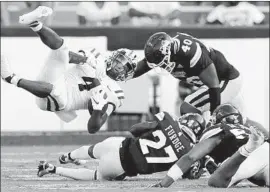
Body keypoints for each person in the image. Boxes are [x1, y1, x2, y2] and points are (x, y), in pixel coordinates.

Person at [1, 6, 137, 133]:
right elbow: (68, 57)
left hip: (61, 102)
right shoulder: (97, 57)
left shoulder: (116, 93)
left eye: (124, 66)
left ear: (127, 73)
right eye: (119, 60)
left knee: (56, 92)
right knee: (62, 49)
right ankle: (34, 24)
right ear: (113, 56)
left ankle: (11, 78)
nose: (119, 65)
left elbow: (93, 128)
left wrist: (97, 110)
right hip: (55, 79)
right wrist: (85, 59)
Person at [105, 32, 244, 122]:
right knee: (241, 121)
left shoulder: (191, 54)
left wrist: (215, 117)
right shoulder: (163, 52)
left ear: (170, 54)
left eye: (162, 64)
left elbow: (214, 85)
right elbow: (144, 66)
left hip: (225, 81)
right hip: (214, 84)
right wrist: (116, 74)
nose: (162, 67)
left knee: (188, 106)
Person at [37, 111, 212, 181]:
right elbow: (189, 174)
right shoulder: (191, 151)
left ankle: (68, 156)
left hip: (118, 145)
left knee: (91, 150)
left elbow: (134, 129)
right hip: (121, 167)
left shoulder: (168, 120)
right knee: (97, 176)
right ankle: (54, 170)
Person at [152, 104, 269, 188]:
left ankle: (248, 148)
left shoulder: (219, 129)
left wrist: (163, 184)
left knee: (215, 181)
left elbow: (190, 157)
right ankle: (249, 147)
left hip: (250, 153)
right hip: (265, 150)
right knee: (261, 180)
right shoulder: (246, 129)